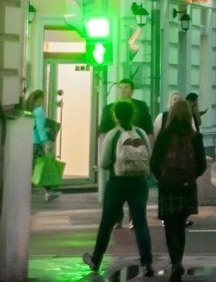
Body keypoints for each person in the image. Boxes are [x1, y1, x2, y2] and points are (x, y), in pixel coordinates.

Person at [84, 100, 155, 277]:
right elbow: (149, 156)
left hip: (117, 183)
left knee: (107, 223)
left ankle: (96, 260)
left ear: (115, 116)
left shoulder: (112, 135)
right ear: (133, 115)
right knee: (140, 223)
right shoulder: (140, 133)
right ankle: (147, 263)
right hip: (139, 182)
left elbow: (103, 162)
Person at [151, 99, 206, 281]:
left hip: (168, 186)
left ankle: (176, 263)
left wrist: (163, 177)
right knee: (181, 226)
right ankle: (178, 261)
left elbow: (154, 162)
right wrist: (190, 176)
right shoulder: (195, 136)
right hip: (187, 186)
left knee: (170, 226)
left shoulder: (165, 135)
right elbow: (202, 165)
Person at [27, 90, 60, 201]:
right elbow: (41, 128)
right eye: (43, 98)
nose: (44, 100)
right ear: (40, 98)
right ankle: (48, 192)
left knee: (34, 168)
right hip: (37, 143)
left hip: (29, 143)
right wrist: (46, 142)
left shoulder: (29, 109)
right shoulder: (39, 111)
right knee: (43, 168)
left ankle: (47, 191)